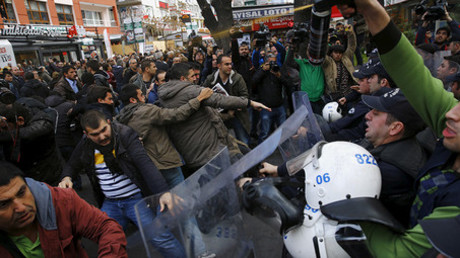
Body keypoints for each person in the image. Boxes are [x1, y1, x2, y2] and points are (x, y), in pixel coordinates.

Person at [335, 0, 460, 255]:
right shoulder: (454, 128)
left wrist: (345, 219)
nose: (451, 113)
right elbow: (410, 69)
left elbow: (398, 252)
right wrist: (370, 8)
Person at [59, 109, 186, 257]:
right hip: (110, 203)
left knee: (160, 238)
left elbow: (145, 165)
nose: (101, 136)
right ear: (86, 135)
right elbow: (72, 164)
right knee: (108, 243)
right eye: (95, 134)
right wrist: (66, 177)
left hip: (136, 201)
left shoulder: (125, 135)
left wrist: (163, 193)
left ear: (108, 123)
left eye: (103, 130)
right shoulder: (86, 144)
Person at [158, 63, 270, 176]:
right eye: (192, 76)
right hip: (211, 152)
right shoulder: (189, 91)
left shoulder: (163, 97)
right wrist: (249, 102)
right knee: (237, 177)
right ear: (182, 79)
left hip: (193, 154)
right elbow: (219, 100)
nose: (196, 78)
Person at [0, 162, 127, 257]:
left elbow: (106, 227)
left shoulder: (62, 202)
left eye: (22, 193)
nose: (21, 208)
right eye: (4, 204)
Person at [362, 89, 427, 226]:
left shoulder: (387, 172)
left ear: (395, 128)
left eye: (375, 113)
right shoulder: (387, 144)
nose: (367, 116)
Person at [0, 101, 63, 186]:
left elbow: (28, 134)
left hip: (47, 178)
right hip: (25, 177)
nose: (2, 131)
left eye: (4, 128)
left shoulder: (42, 123)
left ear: (20, 120)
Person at [203, 55, 251, 145]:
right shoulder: (211, 79)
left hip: (237, 116)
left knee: (243, 141)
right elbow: (203, 94)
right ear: (219, 66)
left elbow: (244, 96)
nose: (230, 66)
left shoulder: (237, 78)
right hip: (218, 116)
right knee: (223, 144)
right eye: (226, 64)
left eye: (230, 64)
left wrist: (236, 106)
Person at [252, 55, 291, 143]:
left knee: (283, 131)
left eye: (274, 62)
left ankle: (286, 149)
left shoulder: (278, 71)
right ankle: (262, 152)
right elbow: (254, 81)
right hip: (266, 107)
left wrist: (279, 76)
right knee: (264, 133)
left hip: (279, 106)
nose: (273, 65)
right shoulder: (261, 72)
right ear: (265, 63)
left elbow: (289, 84)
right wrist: (263, 70)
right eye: (270, 63)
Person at [322, 24, 358, 102]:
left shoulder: (345, 58)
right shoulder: (328, 62)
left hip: (348, 93)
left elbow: (352, 46)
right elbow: (322, 54)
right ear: (331, 53)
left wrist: (350, 33)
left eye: (340, 53)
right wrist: (325, 41)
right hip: (333, 95)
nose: (338, 55)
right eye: (336, 52)